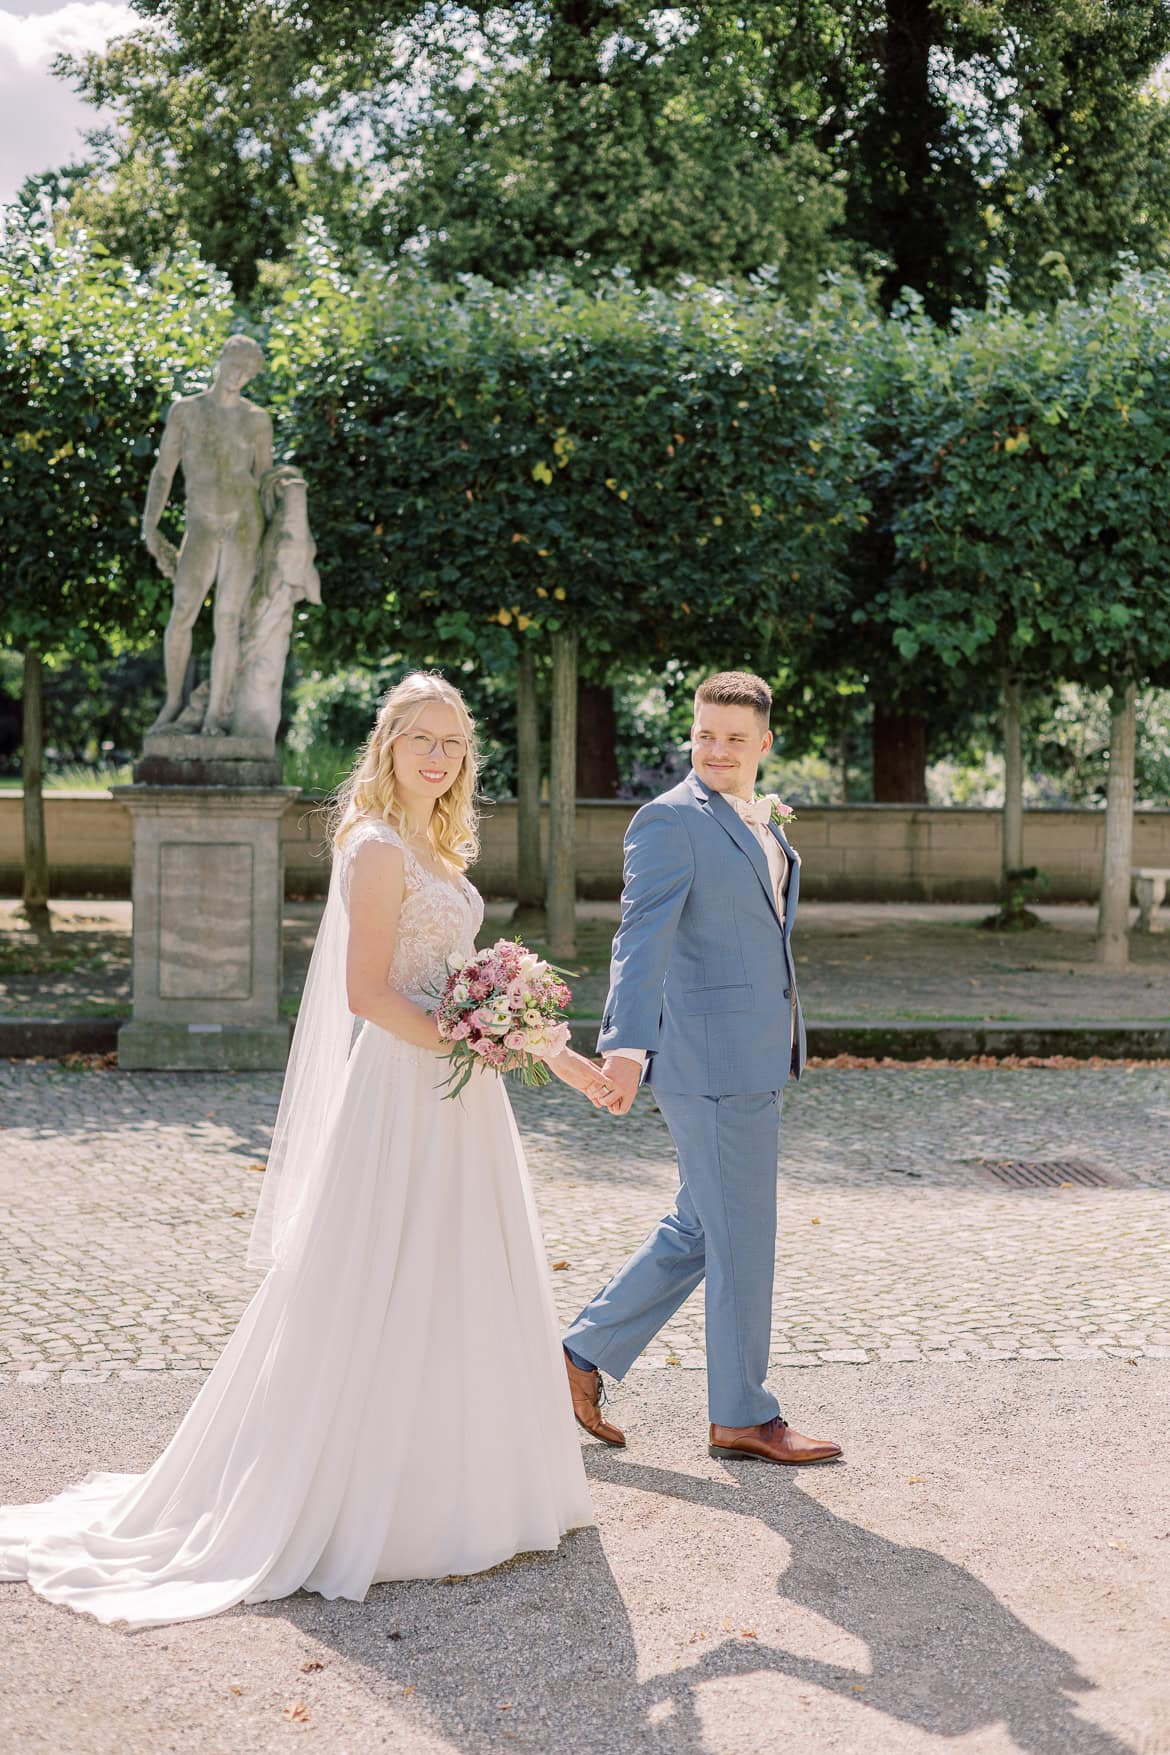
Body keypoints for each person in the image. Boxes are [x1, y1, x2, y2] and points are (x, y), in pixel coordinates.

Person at [0, 673, 609, 1627]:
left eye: (454, 743)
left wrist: (558, 1059)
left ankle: (469, 1483)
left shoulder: (438, 846)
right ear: (389, 743)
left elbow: (463, 986)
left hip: (460, 1098)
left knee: (460, 1277)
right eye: (424, 739)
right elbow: (369, 994)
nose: (441, 757)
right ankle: (364, 1500)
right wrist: (472, 1034)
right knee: (374, 1281)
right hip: (399, 1092)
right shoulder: (371, 848)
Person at [562, 670, 843, 1467]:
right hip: (709, 1062)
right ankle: (742, 1415)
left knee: (700, 1225)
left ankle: (584, 1349)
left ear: (764, 743)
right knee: (742, 1237)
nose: (716, 749)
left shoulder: (762, 821)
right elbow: (638, 939)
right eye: (704, 734)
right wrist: (624, 1048)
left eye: (733, 737)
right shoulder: (667, 820)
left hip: (752, 1056)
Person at [141, 334, 274, 737]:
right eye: (235, 365)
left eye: (248, 372)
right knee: (182, 612)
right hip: (201, 523)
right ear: (221, 358)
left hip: (243, 525)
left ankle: (216, 713)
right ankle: (174, 702)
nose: (239, 375)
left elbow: (265, 482)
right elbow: (163, 472)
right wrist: (149, 525)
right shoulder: (187, 411)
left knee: (228, 620)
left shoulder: (256, 420)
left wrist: (274, 543)